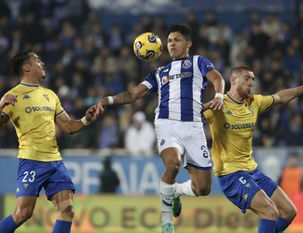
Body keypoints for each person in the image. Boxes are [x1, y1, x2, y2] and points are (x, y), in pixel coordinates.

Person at [92, 24, 225, 233]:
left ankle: (177, 192)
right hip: (167, 123)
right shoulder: (159, 73)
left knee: (203, 188)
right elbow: (134, 94)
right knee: (172, 165)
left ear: (188, 44)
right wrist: (108, 100)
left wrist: (219, 96)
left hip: (194, 127)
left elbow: (217, 78)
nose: (172, 43)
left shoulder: (198, 62)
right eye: (169, 40)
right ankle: (166, 221)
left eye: (177, 40)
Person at [0, 50, 99, 233]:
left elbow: (69, 127)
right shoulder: (13, 96)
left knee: (67, 209)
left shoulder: (50, 95)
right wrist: (0, 107)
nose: (43, 63)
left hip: (55, 161)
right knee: (23, 213)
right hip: (32, 161)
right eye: (37, 60)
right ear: (27, 67)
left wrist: (86, 119)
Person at [204, 66, 303, 233]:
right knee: (270, 212)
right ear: (233, 80)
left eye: (253, 79)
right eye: (247, 79)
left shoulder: (255, 102)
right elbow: (188, 116)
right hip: (230, 174)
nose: (251, 83)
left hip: (252, 171)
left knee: (289, 211)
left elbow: (281, 97)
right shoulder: (218, 106)